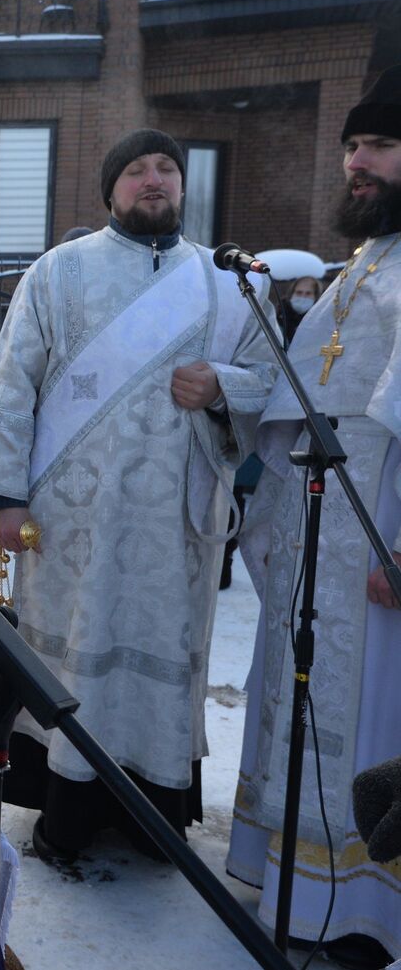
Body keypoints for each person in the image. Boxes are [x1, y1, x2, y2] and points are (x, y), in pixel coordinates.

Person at [0, 128, 279, 861]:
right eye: (136, 169)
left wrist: (221, 386)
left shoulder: (229, 284)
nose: (154, 179)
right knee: (73, 662)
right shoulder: (59, 272)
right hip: (73, 526)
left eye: (167, 167)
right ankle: (67, 810)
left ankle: (152, 814)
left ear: (184, 187)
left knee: (160, 662)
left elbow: (272, 385)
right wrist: (5, 497)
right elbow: (10, 384)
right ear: (111, 190)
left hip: (176, 529)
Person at [228, 66, 401, 970]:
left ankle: (364, 912)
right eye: (351, 149)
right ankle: (298, 885)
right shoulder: (365, 263)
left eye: (376, 147)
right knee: (300, 698)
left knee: (371, 714)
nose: (355, 164)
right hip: (316, 526)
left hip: (378, 534)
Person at [278, 274, 323, 344]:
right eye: (299, 292)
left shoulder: (321, 321)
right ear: (292, 294)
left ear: (316, 297)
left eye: (308, 293)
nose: (303, 297)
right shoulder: (277, 318)